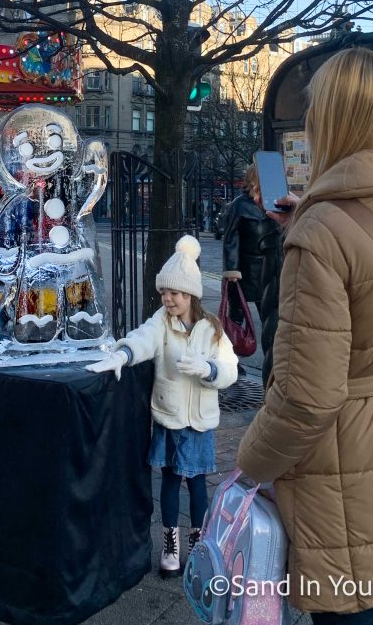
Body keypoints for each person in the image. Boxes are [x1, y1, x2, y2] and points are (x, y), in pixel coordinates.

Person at [236, 48, 373, 623]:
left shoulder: (323, 232)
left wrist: (248, 464)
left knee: (353, 603)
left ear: (328, 118)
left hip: (345, 468)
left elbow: (308, 397)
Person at [86, 236, 238, 578]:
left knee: (197, 482)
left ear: (191, 295)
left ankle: (199, 545)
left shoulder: (212, 329)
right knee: (169, 480)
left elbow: (230, 367)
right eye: (165, 293)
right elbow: (143, 338)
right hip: (170, 418)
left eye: (176, 293)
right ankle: (171, 546)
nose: (168, 299)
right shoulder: (161, 322)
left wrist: (210, 370)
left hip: (198, 420)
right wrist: (123, 354)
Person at [221, 165, 282, 383]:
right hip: (245, 271)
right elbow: (231, 239)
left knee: (271, 318)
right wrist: (232, 269)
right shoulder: (240, 205)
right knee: (236, 319)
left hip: (268, 267)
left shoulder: (275, 203)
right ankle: (229, 361)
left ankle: (273, 362)